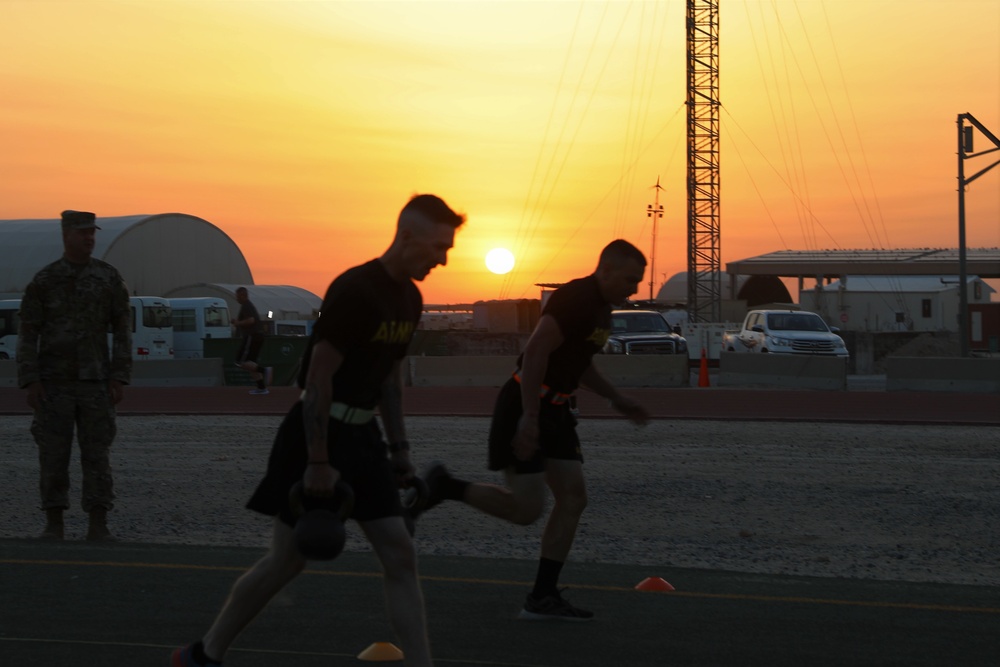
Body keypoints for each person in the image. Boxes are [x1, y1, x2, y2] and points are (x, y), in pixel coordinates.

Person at [171, 194, 466, 667]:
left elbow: (390, 379)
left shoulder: (410, 298)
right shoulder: (356, 290)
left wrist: (400, 448)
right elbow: (317, 380)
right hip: (315, 436)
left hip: (365, 437)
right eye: (437, 247)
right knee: (287, 560)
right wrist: (318, 460)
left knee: (400, 553)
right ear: (407, 237)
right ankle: (205, 654)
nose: (443, 259)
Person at [419, 239, 651, 621]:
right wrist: (529, 417)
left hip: (558, 410)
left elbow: (580, 363)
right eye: (630, 279)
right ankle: (446, 485)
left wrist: (617, 399)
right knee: (526, 510)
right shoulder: (574, 298)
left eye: (638, 281)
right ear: (605, 270)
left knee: (574, 499)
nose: (636, 288)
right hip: (526, 406)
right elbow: (536, 352)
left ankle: (542, 597)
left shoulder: (602, 310)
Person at [16, 209, 132, 542]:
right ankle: (54, 523)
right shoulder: (44, 281)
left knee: (97, 454)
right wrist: (31, 380)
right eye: (82, 232)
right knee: (53, 454)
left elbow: (123, 330)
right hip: (54, 384)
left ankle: (98, 523)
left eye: (92, 232)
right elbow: (28, 333)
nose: (89, 238)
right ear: (66, 234)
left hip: (96, 382)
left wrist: (119, 376)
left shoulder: (108, 278)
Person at [231, 286, 271, 395]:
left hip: (252, 336)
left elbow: (251, 320)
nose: (236, 299)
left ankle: (265, 371)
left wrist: (238, 323)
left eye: (238, 296)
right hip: (257, 336)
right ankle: (262, 388)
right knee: (251, 364)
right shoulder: (247, 306)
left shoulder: (246, 306)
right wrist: (237, 321)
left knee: (240, 361)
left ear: (243, 295)